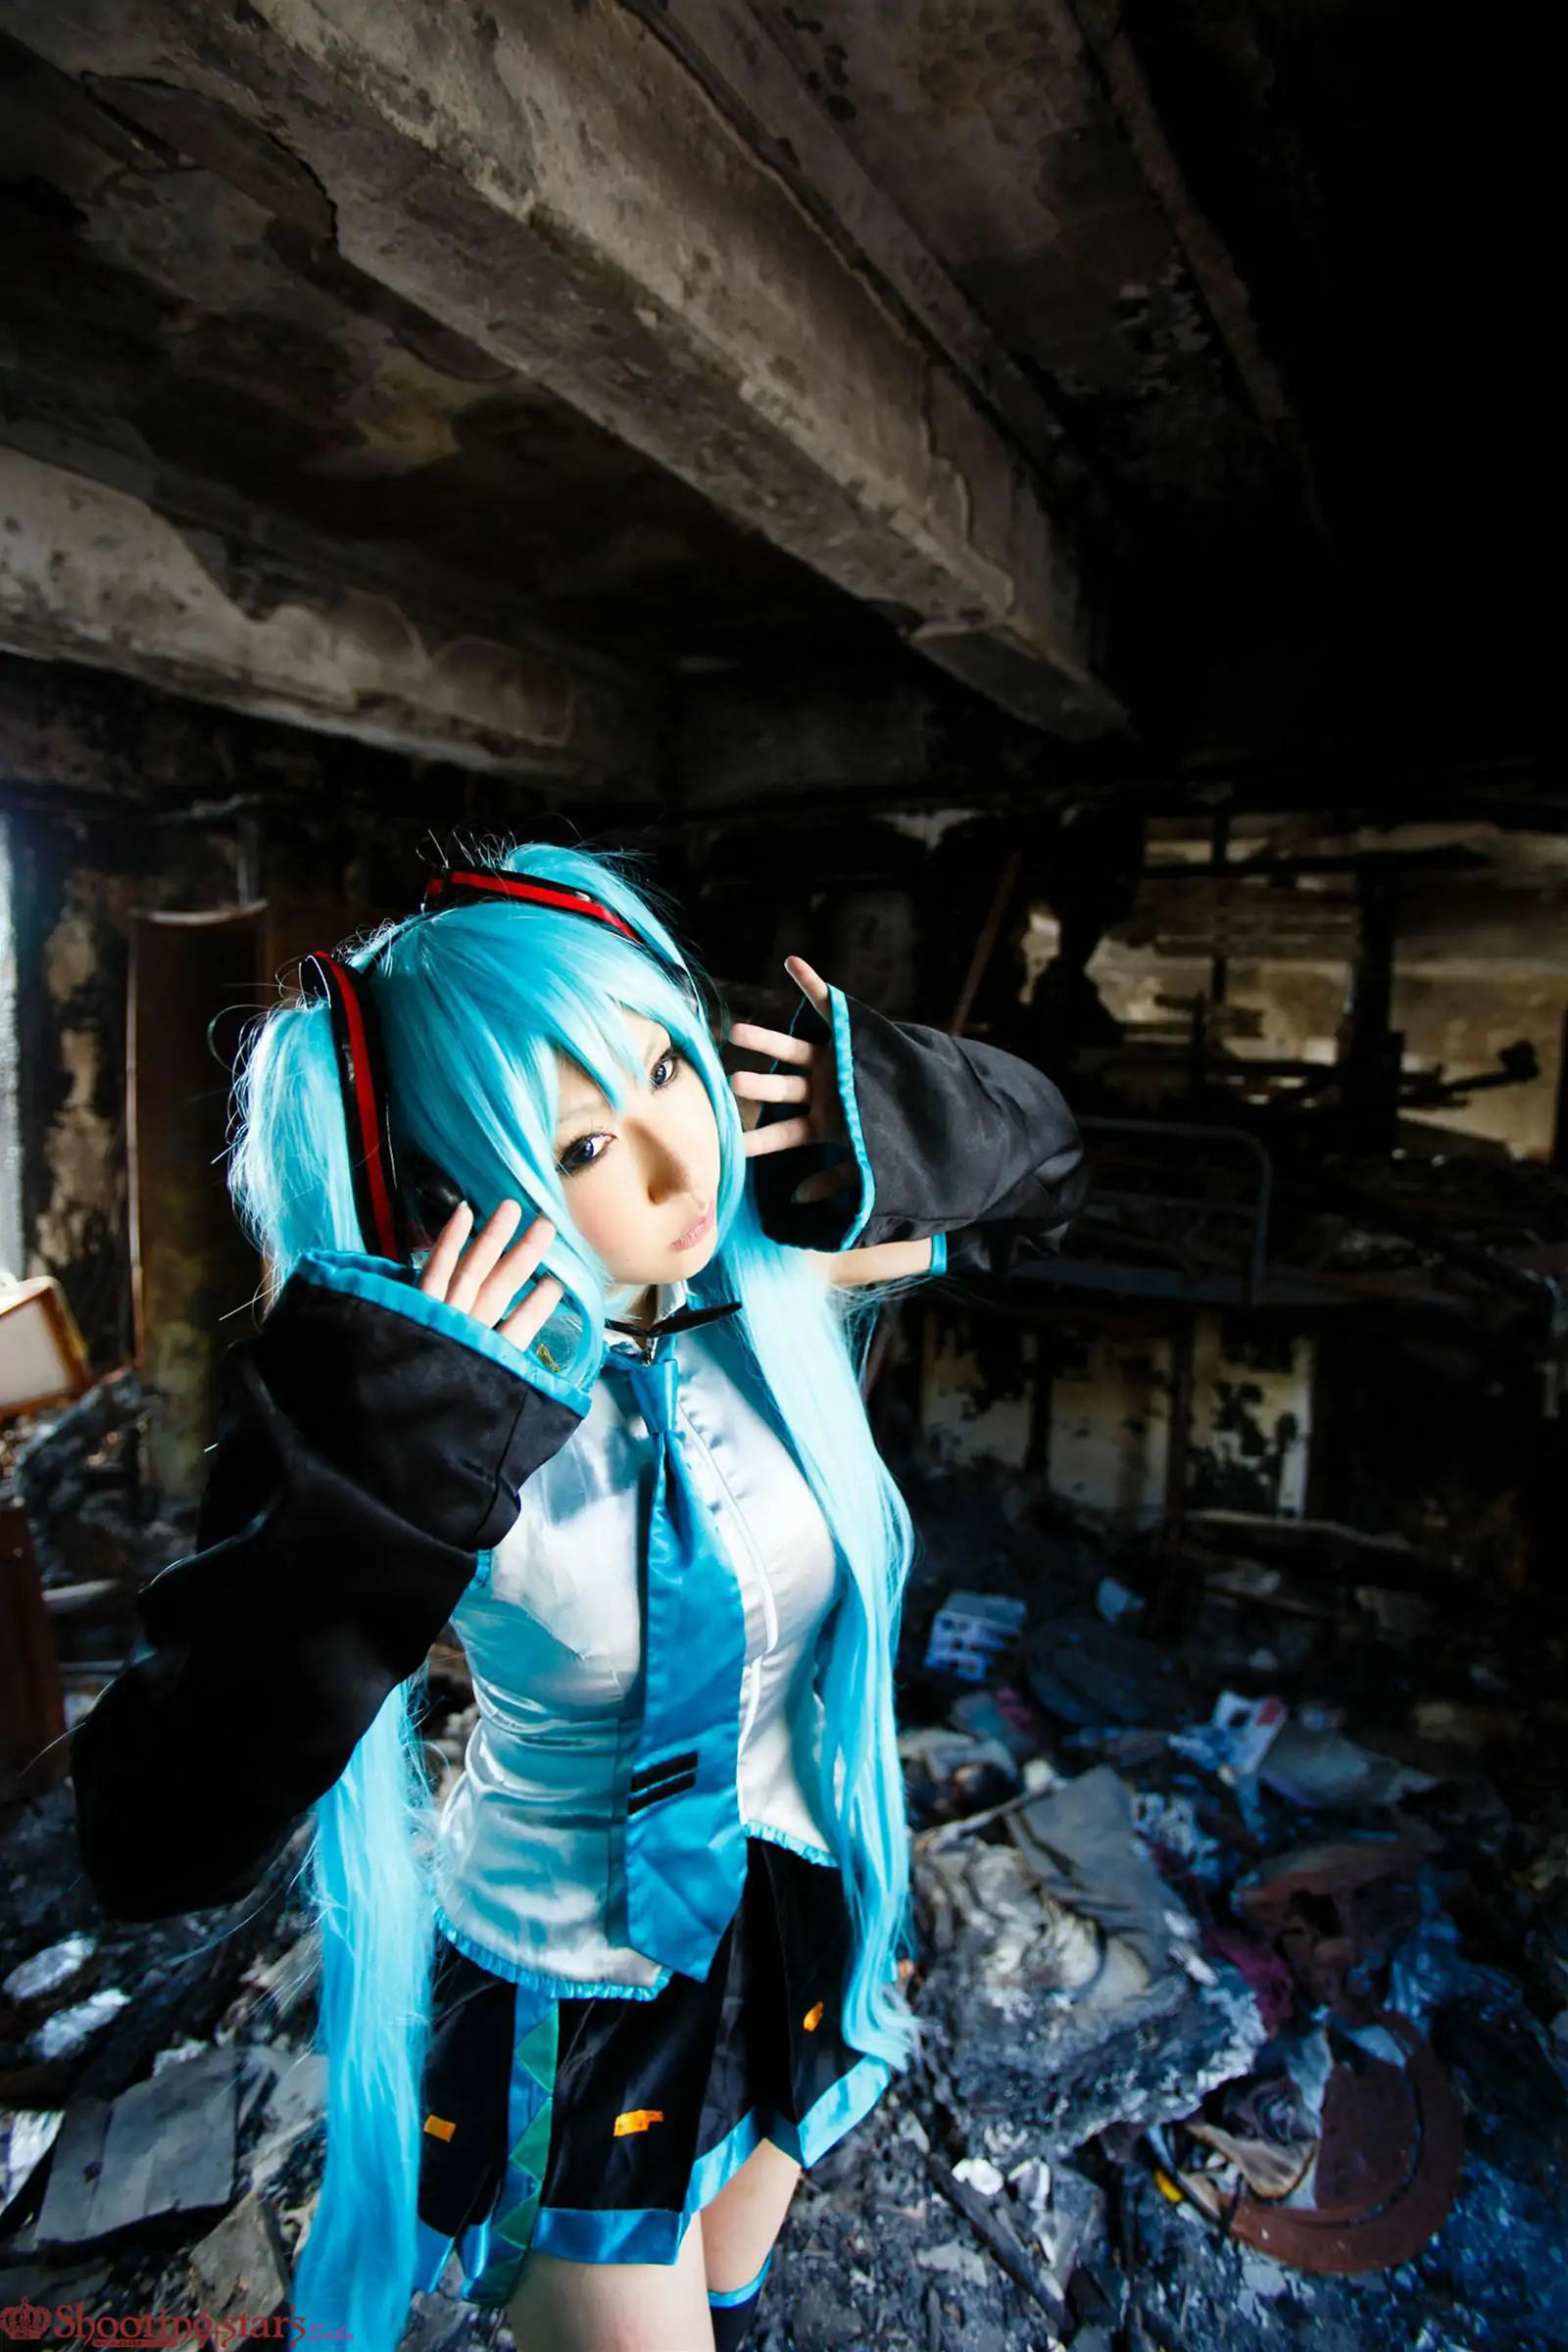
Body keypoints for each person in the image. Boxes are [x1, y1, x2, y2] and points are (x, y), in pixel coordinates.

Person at [69, 843, 1085, 2352]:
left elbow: (1055, 1177)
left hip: (794, 1916)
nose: (683, 1167)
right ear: (462, 1187)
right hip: (574, 1987)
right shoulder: (442, 1419)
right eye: (587, 1143)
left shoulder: (764, 1283)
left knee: (734, 2270)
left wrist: (909, 1101)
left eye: (670, 1068)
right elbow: (150, 1835)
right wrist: (389, 1465)